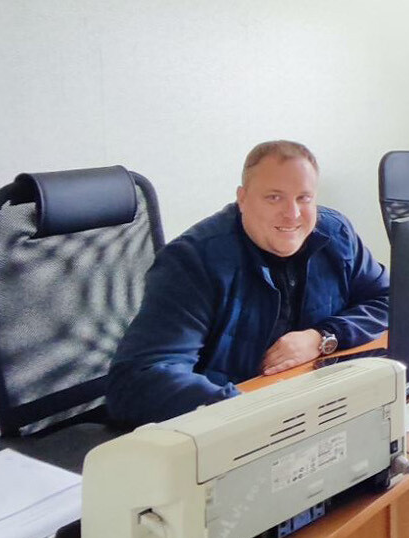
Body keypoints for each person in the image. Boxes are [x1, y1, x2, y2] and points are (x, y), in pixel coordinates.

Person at [107, 140, 389, 427]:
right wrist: (245, 410)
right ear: (242, 198)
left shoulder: (335, 233)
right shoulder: (193, 261)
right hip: (222, 422)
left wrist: (323, 337)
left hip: (311, 400)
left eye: (304, 198)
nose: (292, 213)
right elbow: (140, 380)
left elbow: (388, 299)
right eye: (274, 197)